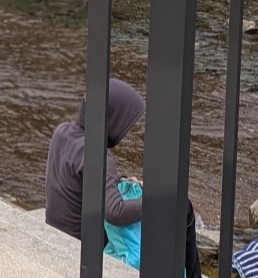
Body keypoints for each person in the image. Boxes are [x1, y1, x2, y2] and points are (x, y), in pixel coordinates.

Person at [45, 78, 201, 277]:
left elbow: (82, 178)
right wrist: (157, 199)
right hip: (84, 248)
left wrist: (122, 180)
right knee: (182, 207)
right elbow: (115, 212)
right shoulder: (100, 155)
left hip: (56, 234)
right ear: (112, 118)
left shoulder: (62, 132)